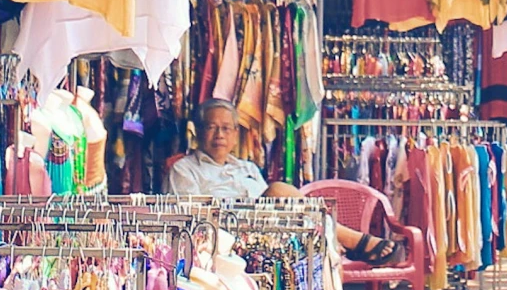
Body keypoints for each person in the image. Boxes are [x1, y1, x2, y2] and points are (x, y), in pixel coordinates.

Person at [167, 98, 409, 264]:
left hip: (271, 234)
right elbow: (190, 219)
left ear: (235, 134)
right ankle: (352, 240)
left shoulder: (247, 167)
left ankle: (334, 238)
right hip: (225, 237)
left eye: (226, 128)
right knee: (279, 190)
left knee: (290, 206)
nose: (219, 135)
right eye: (211, 127)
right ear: (197, 132)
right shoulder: (184, 170)